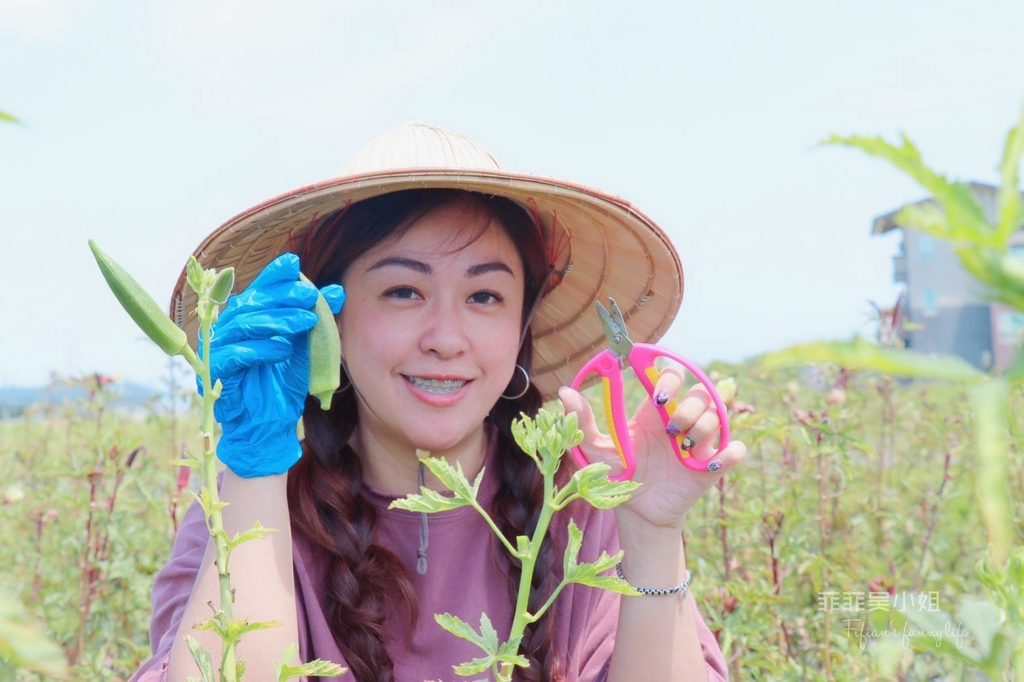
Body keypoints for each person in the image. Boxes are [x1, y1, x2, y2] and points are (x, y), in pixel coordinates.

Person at [131, 122, 746, 682]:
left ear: (522, 327)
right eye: (403, 291)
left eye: (484, 297)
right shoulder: (249, 507)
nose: (447, 340)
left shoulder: (586, 499)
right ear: (328, 322)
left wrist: (653, 536)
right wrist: (253, 468)